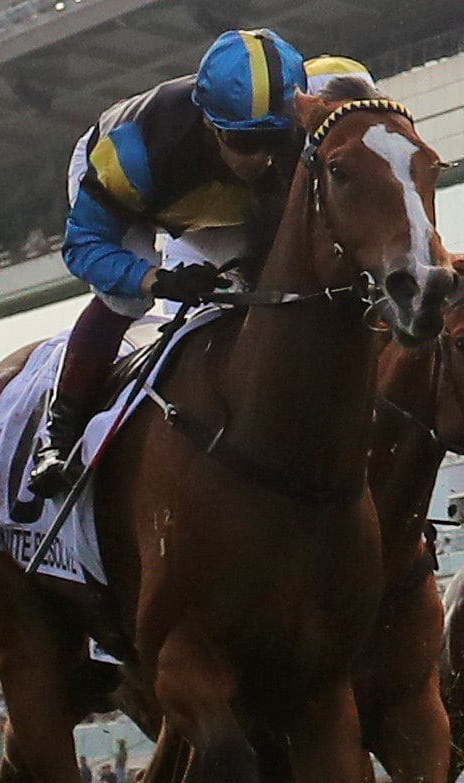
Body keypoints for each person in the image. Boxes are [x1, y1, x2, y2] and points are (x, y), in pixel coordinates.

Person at [24, 27, 310, 498]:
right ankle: (59, 433)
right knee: (125, 301)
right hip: (135, 196)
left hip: (221, 204)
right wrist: (157, 280)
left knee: (271, 288)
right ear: (211, 126)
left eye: (276, 140)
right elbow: (84, 247)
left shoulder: (301, 129)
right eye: (247, 142)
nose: (263, 160)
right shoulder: (133, 153)